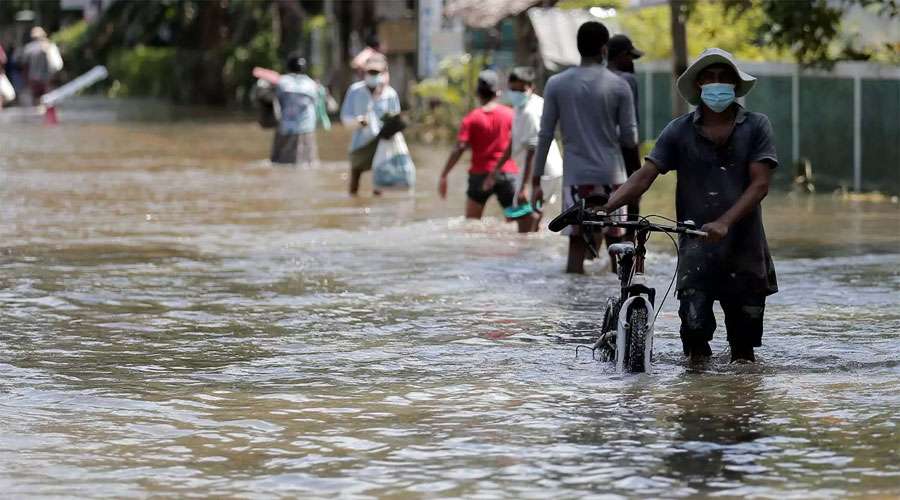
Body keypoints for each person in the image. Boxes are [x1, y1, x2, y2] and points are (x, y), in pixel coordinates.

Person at [600, 48, 779, 363]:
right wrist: (606, 207)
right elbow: (644, 176)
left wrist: (724, 222)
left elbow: (760, 184)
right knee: (694, 343)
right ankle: (696, 403)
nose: (716, 83)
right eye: (709, 77)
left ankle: (740, 407)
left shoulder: (756, 126)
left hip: (745, 252)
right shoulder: (679, 130)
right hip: (696, 253)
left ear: (736, 86)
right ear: (698, 85)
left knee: (743, 352)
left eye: (724, 77)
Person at [532, 21, 638, 273]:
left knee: (576, 247)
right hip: (613, 177)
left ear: (577, 47)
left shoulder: (557, 84)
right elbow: (630, 137)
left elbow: (545, 135)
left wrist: (536, 181)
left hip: (577, 178)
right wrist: (637, 178)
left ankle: (573, 312)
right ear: (604, 49)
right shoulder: (619, 85)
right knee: (617, 248)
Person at [438, 70, 523, 227]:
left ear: (478, 93)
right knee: (515, 224)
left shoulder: (471, 118)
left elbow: (460, 147)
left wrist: (444, 174)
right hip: (507, 175)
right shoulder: (511, 114)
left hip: (479, 177)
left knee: (472, 225)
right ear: (497, 92)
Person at [485, 66, 563, 232]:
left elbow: (532, 148)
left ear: (531, 87)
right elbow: (514, 142)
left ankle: (524, 254)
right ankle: (533, 250)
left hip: (541, 171)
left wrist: (525, 187)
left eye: (520, 89)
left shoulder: (530, 111)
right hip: (546, 170)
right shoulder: (523, 107)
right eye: (513, 89)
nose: (516, 93)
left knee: (524, 216)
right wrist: (496, 169)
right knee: (534, 214)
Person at [340, 54, 401, 195]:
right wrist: (359, 122)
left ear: (383, 73)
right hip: (360, 142)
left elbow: (396, 118)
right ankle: (353, 202)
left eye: (376, 72)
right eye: (370, 72)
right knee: (355, 174)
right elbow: (345, 117)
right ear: (365, 73)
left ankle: (377, 208)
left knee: (379, 178)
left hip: (382, 142)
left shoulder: (390, 94)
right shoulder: (355, 91)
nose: (372, 75)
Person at [252, 52, 328, 167]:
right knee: (309, 164)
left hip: (285, 128)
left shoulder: (281, 82)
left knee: (280, 163)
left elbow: (262, 94)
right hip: (307, 128)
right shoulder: (312, 84)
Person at [607, 34, 644, 236]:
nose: (632, 63)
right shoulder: (627, 80)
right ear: (622, 56)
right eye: (630, 57)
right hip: (622, 156)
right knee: (630, 211)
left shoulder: (594, 79)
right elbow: (631, 130)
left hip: (592, 158)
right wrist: (637, 169)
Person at [21, 27, 62, 105]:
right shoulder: (48, 46)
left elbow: (24, 63)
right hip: (47, 77)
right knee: (46, 97)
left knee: (36, 97)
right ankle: (44, 112)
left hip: (33, 77)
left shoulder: (29, 48)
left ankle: (38, 112)